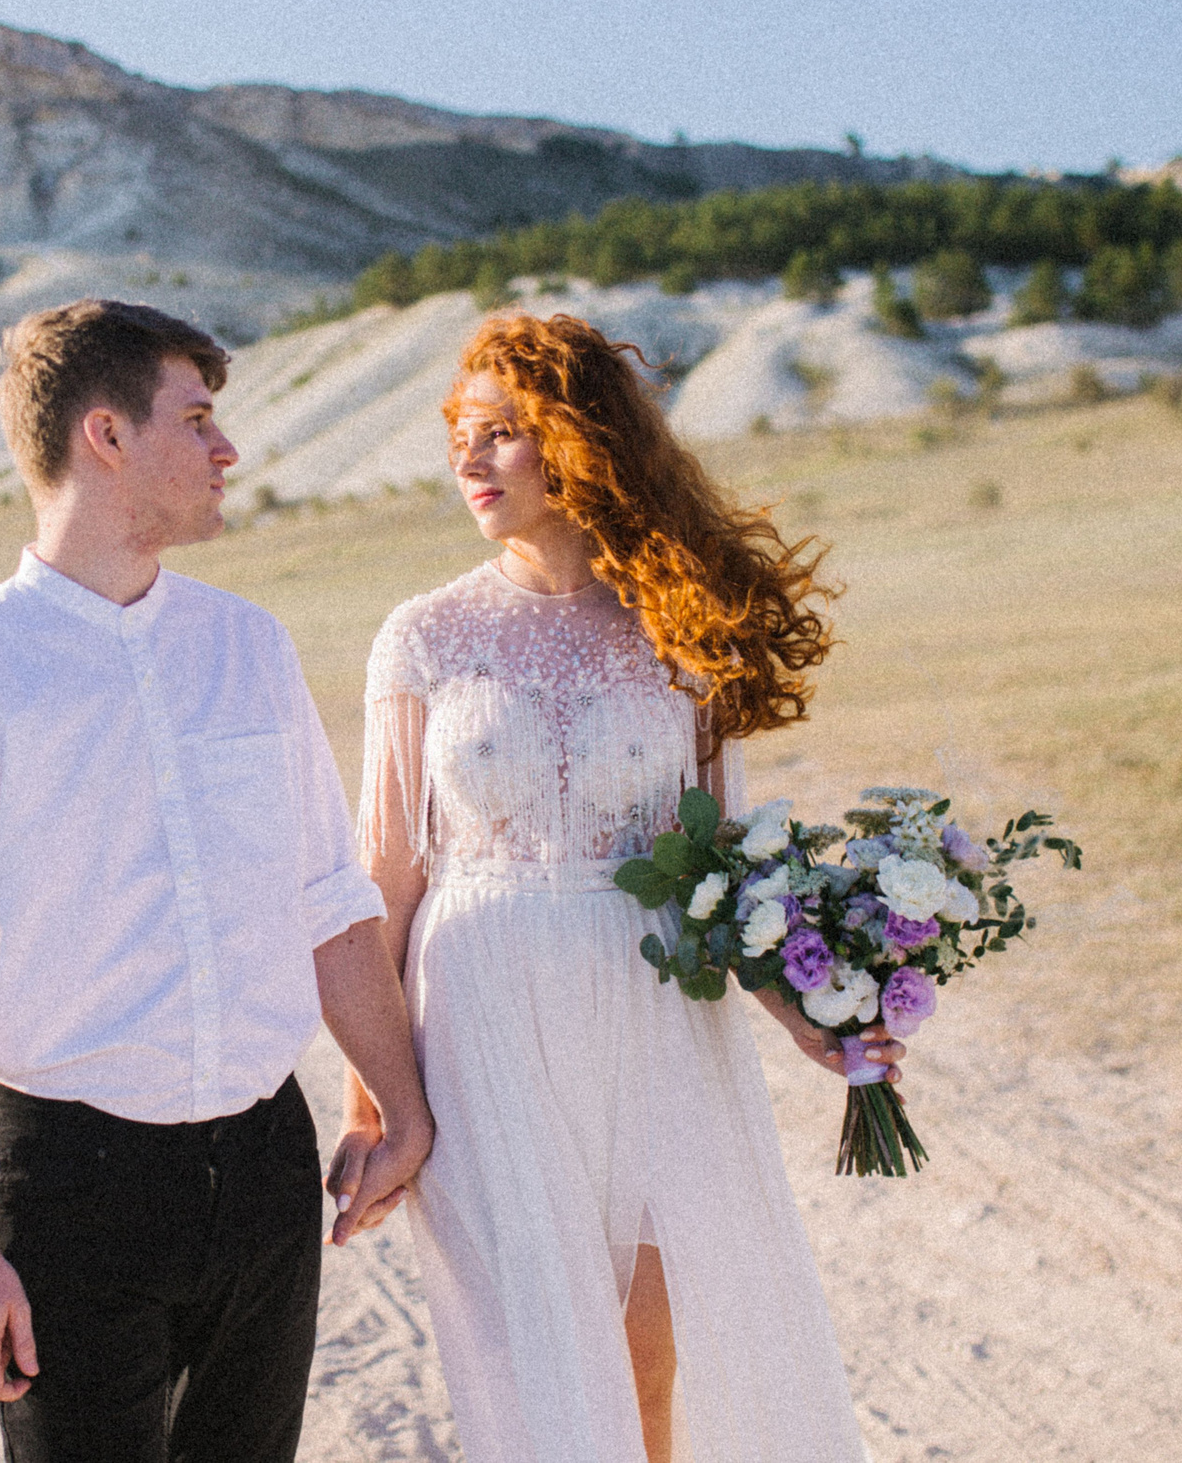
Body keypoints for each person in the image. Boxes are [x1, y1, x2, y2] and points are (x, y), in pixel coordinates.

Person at [0, 298, 433, 1463]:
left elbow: (329, 904)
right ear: (106, 435)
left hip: (265, 1173)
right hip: (70, 1192)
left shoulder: (249, 647)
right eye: (198, 420)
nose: (228, 450)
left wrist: (401, 1106)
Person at [341, 311, 893, 1463]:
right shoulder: (423, 638)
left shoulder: (681, 630)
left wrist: (812, 1016)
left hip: (652, 1016)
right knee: (535, 1355)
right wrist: (372, 1102)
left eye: (502, 431)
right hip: (480, 1019)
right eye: (460, 431)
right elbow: (384, 878)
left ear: (579, 440)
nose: (469, 455)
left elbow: (726, 864)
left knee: (647, 1349)